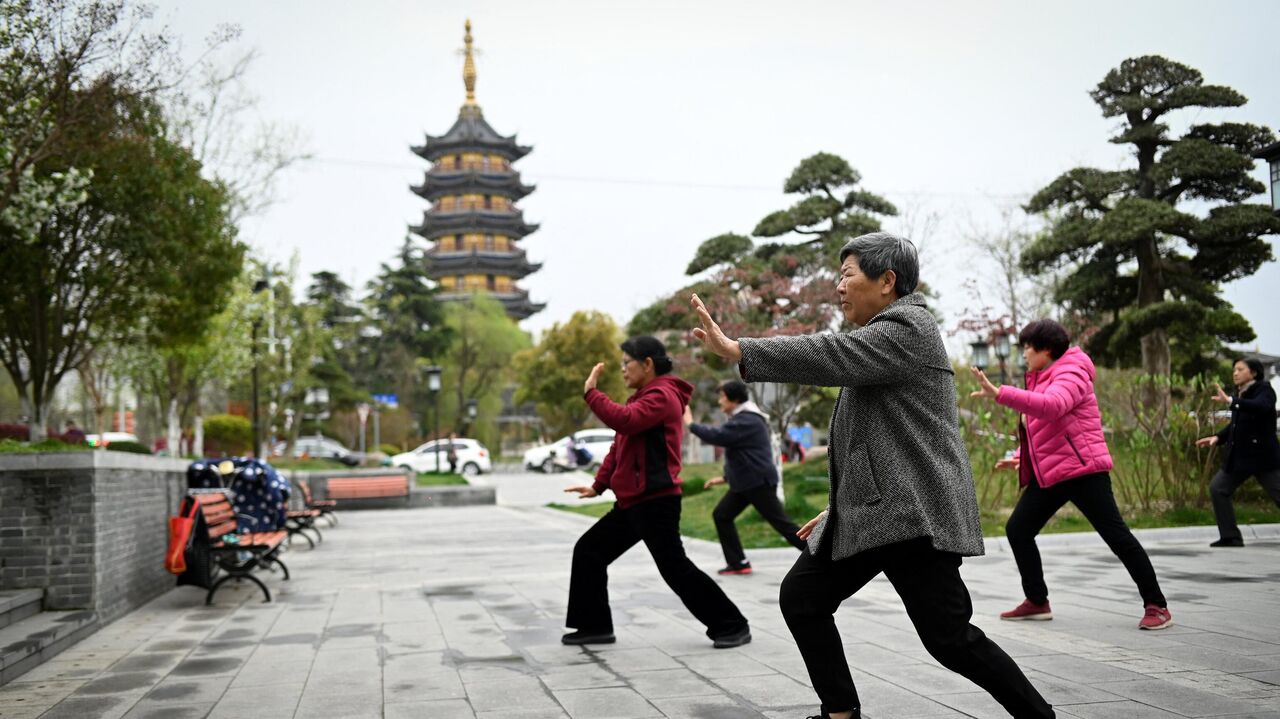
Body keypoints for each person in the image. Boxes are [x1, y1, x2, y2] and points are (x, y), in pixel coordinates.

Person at [691, 232, 1053, 719]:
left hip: (913, 516)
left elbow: (831, 355)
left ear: (887, 281)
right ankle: (840, 712)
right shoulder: (881, 342)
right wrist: (838, 506)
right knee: (803, 598)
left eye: (848, 275)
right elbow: (872, 443)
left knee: (950, 639)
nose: (839, 287)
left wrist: (740, 350)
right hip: (880, 512)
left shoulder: (909, 327)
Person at [970, 319, 1172, 630]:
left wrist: (1001, 393)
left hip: (1083, 471)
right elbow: (1047, 429)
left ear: (1046, 349)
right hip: (1054, 472)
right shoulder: (1041, 375)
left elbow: (1052, 407)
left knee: (1116, 536)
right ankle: (1037, 601)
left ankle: (1156, 605)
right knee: (1019, 529)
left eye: (1027, 347)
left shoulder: (1072, 371)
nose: (1023, 354)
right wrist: (1022, 457)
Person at [562, 336, 752, 649]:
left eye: (627, 364)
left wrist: (592, 394)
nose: (623, 370)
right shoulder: (643, 397)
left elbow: (625, 421)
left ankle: (732, 624)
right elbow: (620, 444)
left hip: (655, 500)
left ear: (647, 364)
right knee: (589, 552)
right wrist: (598, 485)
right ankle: (594, 627)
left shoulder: (663, 395)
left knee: (675, 568)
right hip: (634, 501)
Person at [683, 379, 806, 575]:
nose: (719, 402)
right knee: (722, 515)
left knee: (783, 525)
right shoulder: (743, 419)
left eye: (722, 397)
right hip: (746, 483)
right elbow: (744, 455)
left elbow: (718, 436)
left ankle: (821, 557)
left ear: (735, 399)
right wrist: (724, 477)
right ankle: (739, 562)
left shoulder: (747, 420)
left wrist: (690, 425)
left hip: (757, 483)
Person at [1196, 358, 1280, 547]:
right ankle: (1230, 536)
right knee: (1218, 489)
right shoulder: (1240, 393)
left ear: (1254, 373)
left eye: (1240, 369)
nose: (1235, 373)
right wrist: (1218, 437)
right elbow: (1237, 425)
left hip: (1262, 457)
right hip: (1240, 458)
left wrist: (1232, 401)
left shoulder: (1264, 390)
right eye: (1234, 369)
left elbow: (1261, 407)